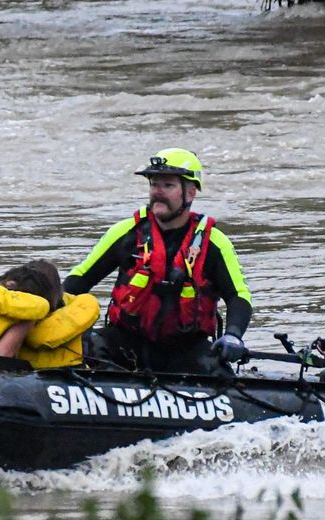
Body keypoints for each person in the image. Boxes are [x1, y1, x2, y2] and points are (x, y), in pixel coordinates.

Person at [62, 148, 253, 375]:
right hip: (126, 345)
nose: (158, 192)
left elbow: (238, 296)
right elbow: (79, 280)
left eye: (168, 185)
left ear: (190, 193)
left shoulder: (214, 242)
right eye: (154, 185)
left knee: (216, 370)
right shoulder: (126, 232)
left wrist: (232, 335)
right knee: (88, 343)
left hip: (186, 350)